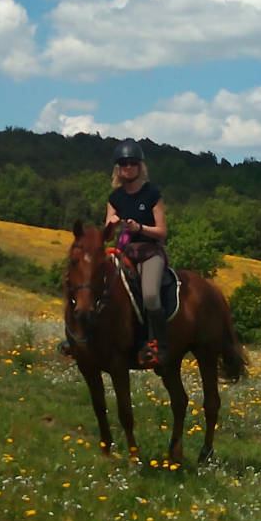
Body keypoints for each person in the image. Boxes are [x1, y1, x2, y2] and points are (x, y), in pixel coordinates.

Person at [105, 138, 169, 368]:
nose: (128, 167)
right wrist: (111, 224)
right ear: (118, 168)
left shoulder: (152, 194)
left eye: (132, 163)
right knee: (95, 284)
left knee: (150, 294)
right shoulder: (115, 198)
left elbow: (162, 232)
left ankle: (159, 344)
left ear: (140, 166)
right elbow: (107, 234)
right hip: (123, 252)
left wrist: (139, 228)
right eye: (123, 163)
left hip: (149, 252)